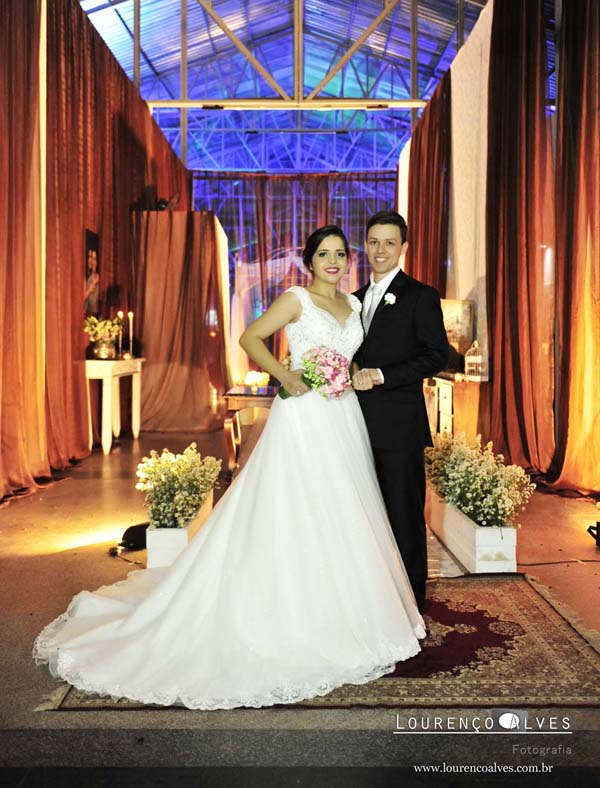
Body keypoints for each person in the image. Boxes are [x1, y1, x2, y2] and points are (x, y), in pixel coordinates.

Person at [33, 225, 425, 711]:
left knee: (345, 508)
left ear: (350, 260)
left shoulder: (353, 304)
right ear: (309, 261)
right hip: (304, 418)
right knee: (295, 505)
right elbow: (249, 337)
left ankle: (345, 608)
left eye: (340, 254)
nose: (333, 261)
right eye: (323, 253)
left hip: (344, 417)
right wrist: (286, 376)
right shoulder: (296, 299)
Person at [352, 212, 449, 614]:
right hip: (354, 426)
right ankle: (372, 599)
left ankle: (411, 605)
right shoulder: (353, 299)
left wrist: (381, 375)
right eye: (374, 242)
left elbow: (436, 355)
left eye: (389, 243)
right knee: (363, 516)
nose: (381, 250)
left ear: (404, 248)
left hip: (399, 428)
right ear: (365, 245)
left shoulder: (420, 296)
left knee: (404, 517)